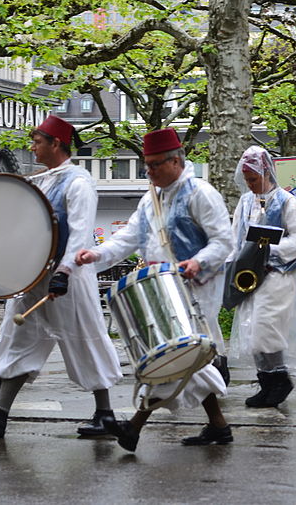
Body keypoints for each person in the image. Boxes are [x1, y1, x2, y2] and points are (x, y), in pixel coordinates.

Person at [0, 115, 122, 437]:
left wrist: (65, 271)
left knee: (85, 343)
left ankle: (106, 414)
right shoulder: (41, 181)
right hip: (35, 278)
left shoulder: (78, 182)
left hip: (67, 281)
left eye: (37, 142)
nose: (32, 148)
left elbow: (80, 233)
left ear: (56, 144)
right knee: (19, 339)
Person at [74, 127, 233, 451]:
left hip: (196, 288)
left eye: (155, 164)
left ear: (176, 161)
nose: (149, 171)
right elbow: (129, 237)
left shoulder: (201, 193)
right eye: (146, 164)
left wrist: (199, 262)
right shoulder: (151, 198)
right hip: (163, 287)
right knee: (186, 359)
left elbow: (224, 241)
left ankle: (133, 427)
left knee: (175, 355)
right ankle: (218, 426)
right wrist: (97, 253)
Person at [229, 146, 296, 408]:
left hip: (277, 276)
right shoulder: (245, 202)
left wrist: (268, 251)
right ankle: (266, 382)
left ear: (267, 173)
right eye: (247, 180)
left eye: (254, 179)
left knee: (267, 331)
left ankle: (280, 379)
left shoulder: (287, 201)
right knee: (252, 332)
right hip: (250, 276)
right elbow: (235, 237)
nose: (250, 185)